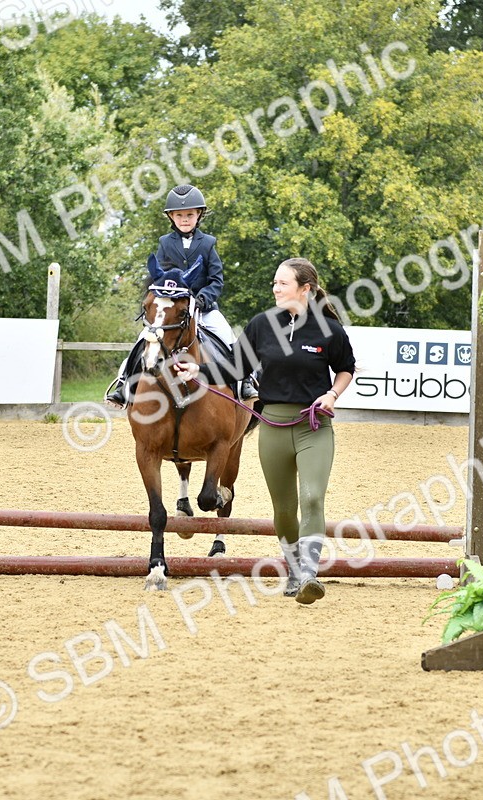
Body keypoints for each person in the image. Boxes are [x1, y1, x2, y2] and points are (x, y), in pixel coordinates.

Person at [175, 258, 355, 604]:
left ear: (306, 289)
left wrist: (332, 394)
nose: (275, 288)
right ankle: (292, 566)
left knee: (313, 497)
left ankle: (309, 575)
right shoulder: (261, 325)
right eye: (274, 282)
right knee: (285, 509)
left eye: (282, 283)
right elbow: (234, 367)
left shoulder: (330, 330)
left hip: (313, 426)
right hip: (272, 425)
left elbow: (345, 369)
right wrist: (196, 370)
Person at [105, 184, 258, 407]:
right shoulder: (165, 243)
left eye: (189, 215)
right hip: (173, 310)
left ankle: (245, 382)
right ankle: (124, 384)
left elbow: (216, 280)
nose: (184, 219)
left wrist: (203, 299)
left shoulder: (208, 243)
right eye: (179, 215)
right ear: (171, 217)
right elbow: (158, 278)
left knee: (228, 337)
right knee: (142, 341)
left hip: (204, 309)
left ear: (198, 215)